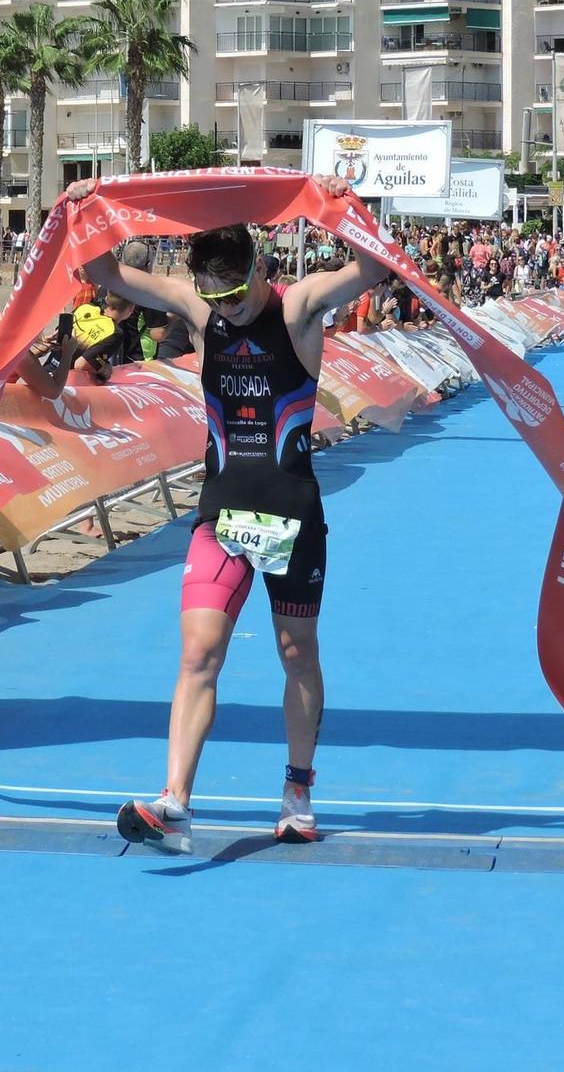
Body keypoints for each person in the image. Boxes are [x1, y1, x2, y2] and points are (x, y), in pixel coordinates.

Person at [62, 177, 386, 853]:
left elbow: (373, 268)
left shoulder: (298, 308)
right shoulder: (199, 307)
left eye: (235, 293)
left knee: (297, 654)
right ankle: (175, 800)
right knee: (199, 653)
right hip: (222, 516)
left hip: (292, 517)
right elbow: (99, 269)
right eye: (213, 297)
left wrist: (343, 206)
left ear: (259, 271)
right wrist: (87, 207)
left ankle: (297, 790)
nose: (226, 310)